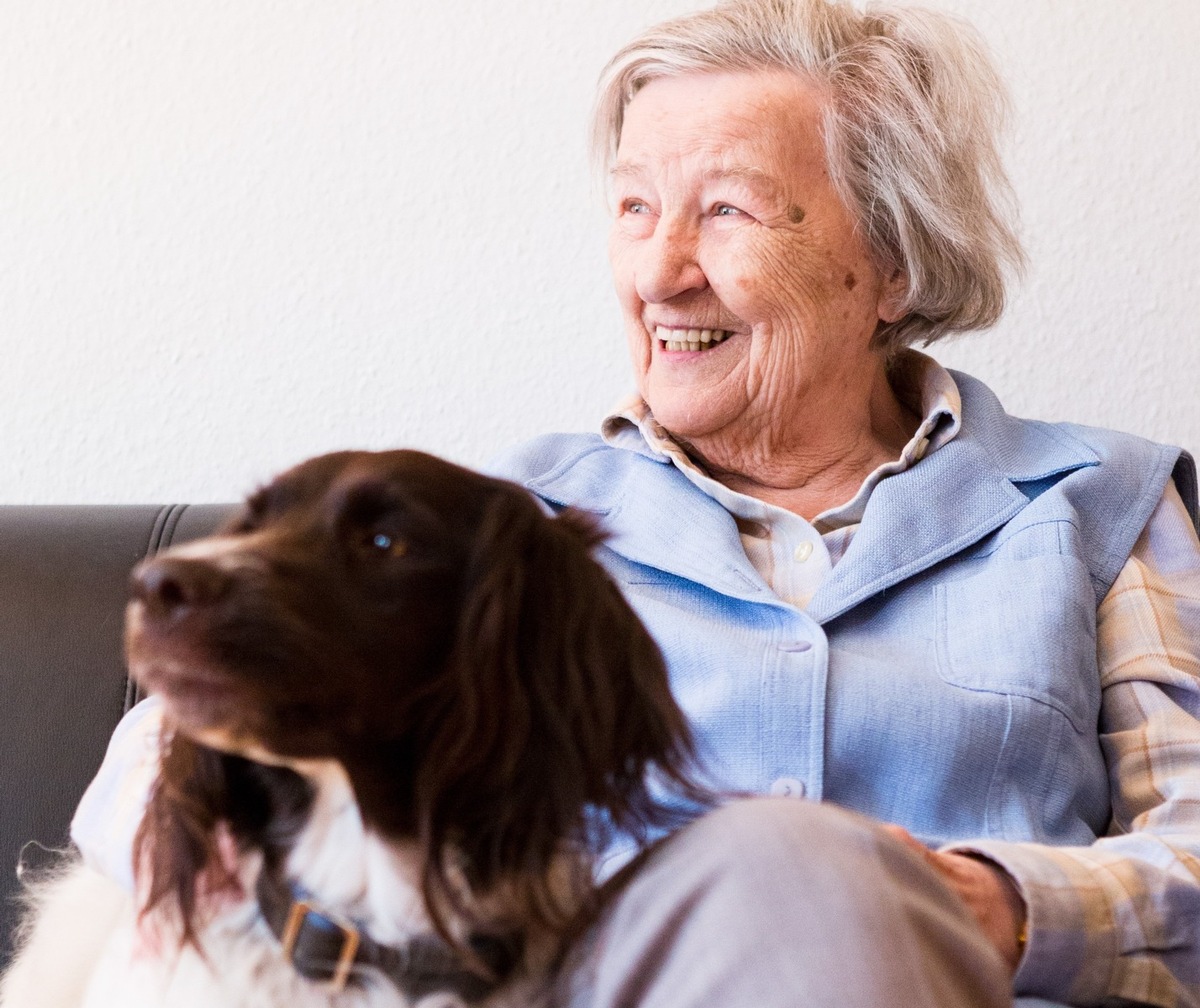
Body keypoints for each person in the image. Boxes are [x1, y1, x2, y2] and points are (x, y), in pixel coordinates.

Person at [72, 1, 1200, 1006]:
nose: (659, 270)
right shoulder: (498, 532)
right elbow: (153, 764)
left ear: (893, 264)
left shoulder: (1097, 501)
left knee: (792, 866)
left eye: (727, 212)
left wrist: (1007, 905)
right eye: (633, 208)